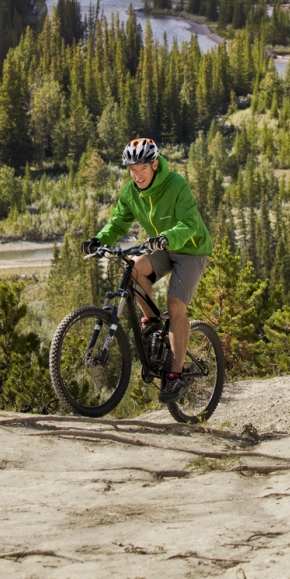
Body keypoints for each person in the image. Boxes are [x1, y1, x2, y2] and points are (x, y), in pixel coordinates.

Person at [82, 137, 213, 402]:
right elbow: (118, 223)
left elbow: (189, 223)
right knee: (133, 268)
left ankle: (175, 376)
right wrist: (99, 240)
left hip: (192, 249)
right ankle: (152, 322)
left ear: (154, 164)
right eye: (132, 170)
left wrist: (166, 237)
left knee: (176, 306)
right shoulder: (131, 192)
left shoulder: (176, 184)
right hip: (163, 247)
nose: (137, 175)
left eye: (142, 168)